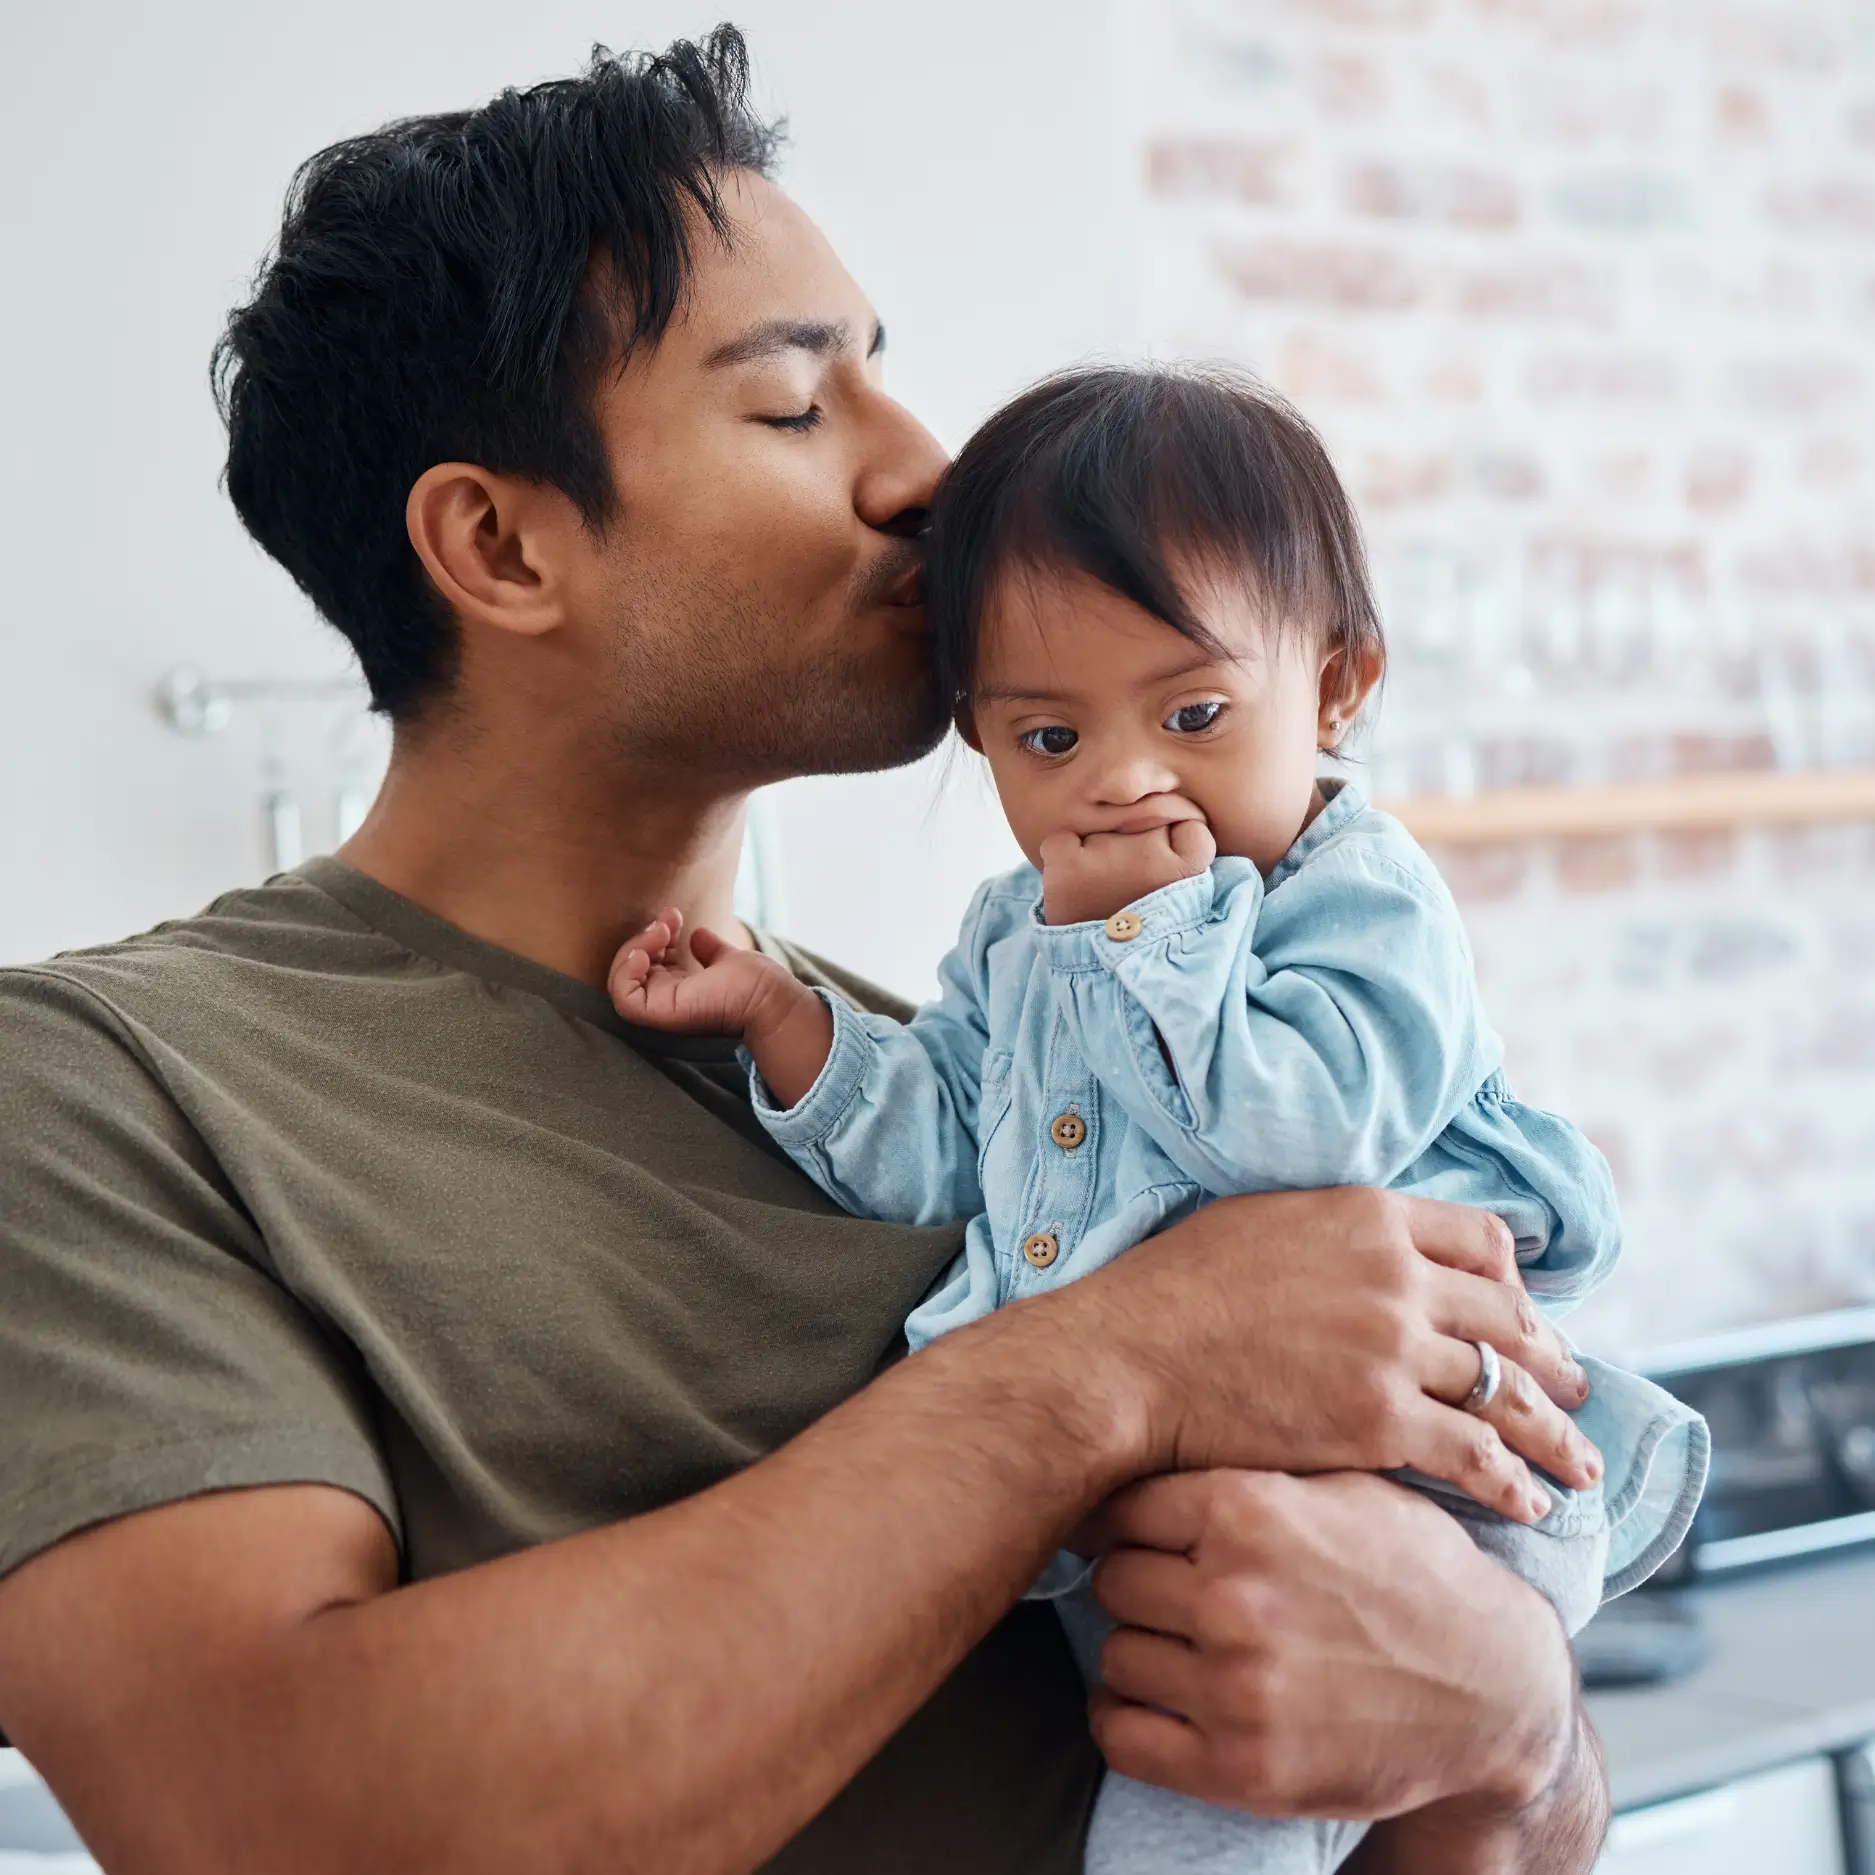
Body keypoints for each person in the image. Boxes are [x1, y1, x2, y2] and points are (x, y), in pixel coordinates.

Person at [0, 30, 1614, 1874]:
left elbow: (1438, 1799)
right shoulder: (102, 1096)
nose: (932, 474)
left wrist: (1513, 1737)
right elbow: (262, 1819)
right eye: (794, 408)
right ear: (498, 546)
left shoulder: (978, 1080)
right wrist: (1114, 1364)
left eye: (888, 383)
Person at [611, 363, 1708, 1874]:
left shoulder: (1354, 897)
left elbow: (1310, 1143)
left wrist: (1163, 930)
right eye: (1045, 740)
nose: (1121, 780)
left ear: (1334, 686)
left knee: (1186, 1835)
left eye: (1191, 711)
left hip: (1396, 1485)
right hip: (1151, 1524)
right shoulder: (1016, 932)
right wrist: (787, 1025)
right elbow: (952, 1160)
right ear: (980, 739)